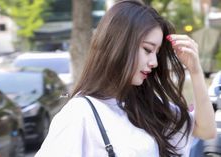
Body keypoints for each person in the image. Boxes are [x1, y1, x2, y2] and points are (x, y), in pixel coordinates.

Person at [35, 0, 216, 156]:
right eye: (147, 49)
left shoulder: (144, 107)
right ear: (120, 45)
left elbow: (206, 130)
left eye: (156, 52)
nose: (154, 62)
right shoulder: (79, 114)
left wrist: (195, 71)